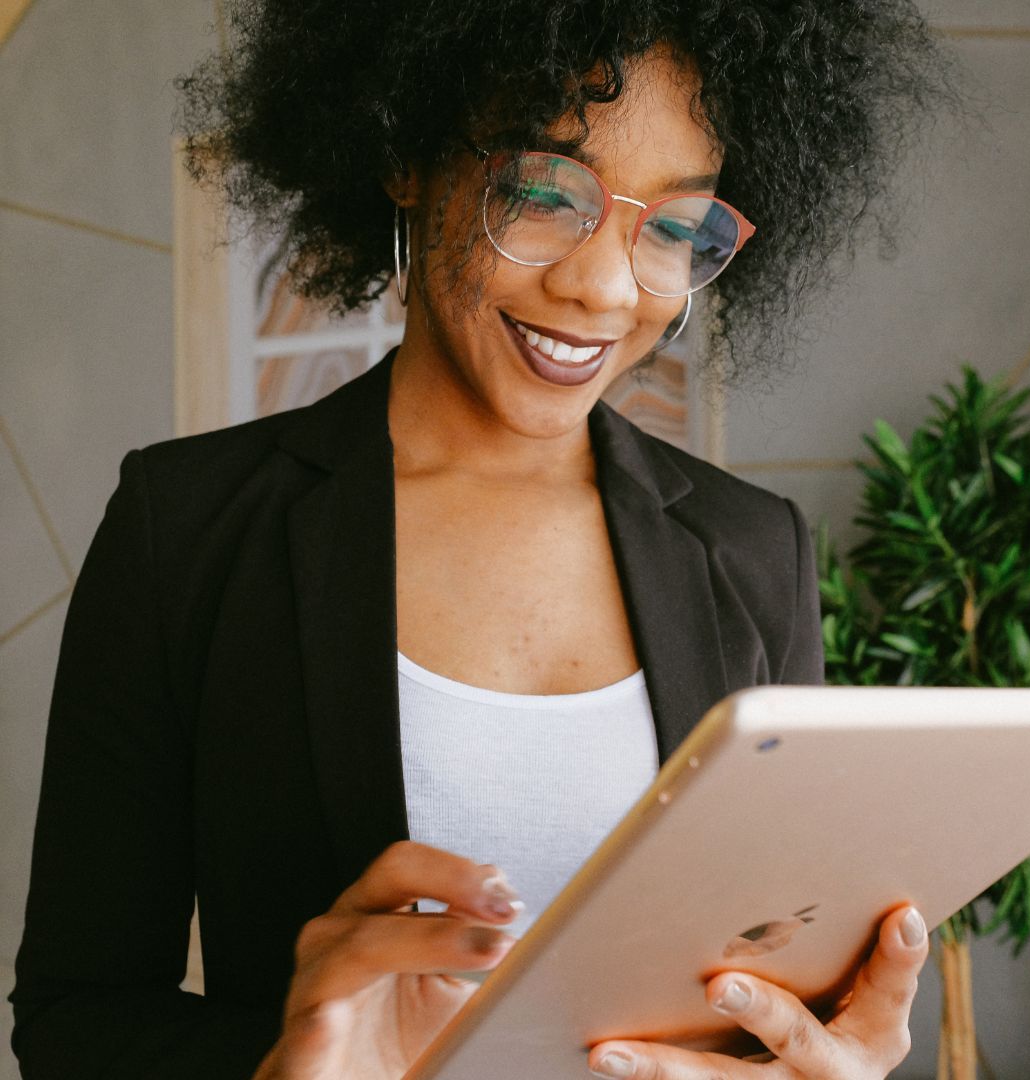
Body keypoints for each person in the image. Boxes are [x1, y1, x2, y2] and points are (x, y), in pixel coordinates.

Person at [9, 1, 957, 1077]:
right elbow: (73, 1021)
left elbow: (781, 987)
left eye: (676, 228)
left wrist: (834, 1055)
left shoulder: (752, 551)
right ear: (405, 154)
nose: (604, 287)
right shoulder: (185, 529)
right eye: (546, 195)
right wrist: (286, 1062)